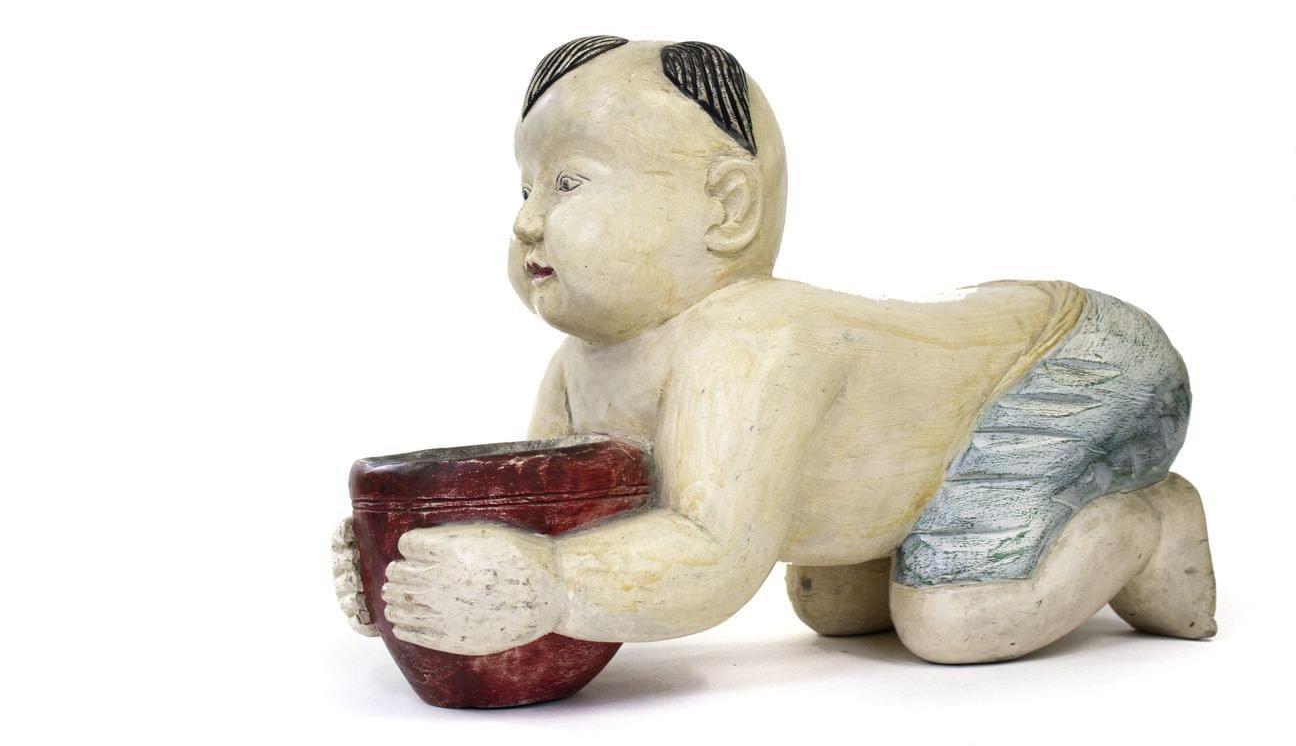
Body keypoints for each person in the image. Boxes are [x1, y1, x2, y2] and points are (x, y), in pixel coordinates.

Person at [333, 37, 1215, 664]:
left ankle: (1152, 522)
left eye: (569, 183)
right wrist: (407, 568)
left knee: (954, 620)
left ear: (727, 207)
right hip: (964, 388)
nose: (528, 218)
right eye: (525, 185)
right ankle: (933, 535)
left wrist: (546, 584)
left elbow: (714, 557)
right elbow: (548, 517)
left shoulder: (752, 340)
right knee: (832, 602)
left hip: (1076, 362)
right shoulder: (577, 366)